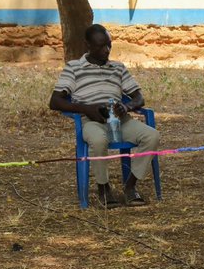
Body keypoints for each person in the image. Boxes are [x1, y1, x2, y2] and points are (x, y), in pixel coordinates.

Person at [49, 24, 159, 209]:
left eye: (109, 45)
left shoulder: (118, 68)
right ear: (88, 46)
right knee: (99, 141)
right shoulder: (74, 68)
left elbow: (139, 97)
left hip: (120, 121)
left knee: (152, 136)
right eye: (100, 46)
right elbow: (55, 102)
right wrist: (86, 109)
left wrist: (127, 106)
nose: (106, 50)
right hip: (92, 121)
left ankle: (130, 186)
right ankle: (104, 189)